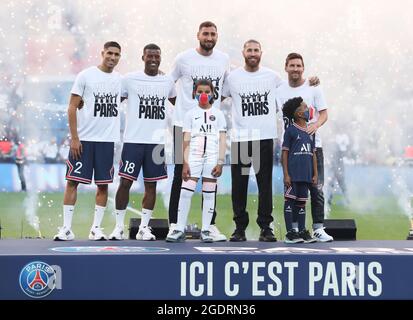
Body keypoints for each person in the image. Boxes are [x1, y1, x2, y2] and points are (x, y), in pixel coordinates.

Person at [168, 21, 229, 241]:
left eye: (213, 33)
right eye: (206, 33)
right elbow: (168, 83)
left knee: (211, 175)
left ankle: (209, 226)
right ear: (198, 35)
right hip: (182, 125)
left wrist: (210, 108)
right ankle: (175, 224)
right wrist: (183, 107)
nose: (209, 37)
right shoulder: (183, 58)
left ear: (217, 36)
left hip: (211, 127)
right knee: (180, 175)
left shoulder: (223, 59)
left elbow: (224, 89)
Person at [54, 41, 122, 241]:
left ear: (120, 57)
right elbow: (71, 107)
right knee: (72, 182)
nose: (112, 57)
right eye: (109, 53)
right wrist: (75, 138)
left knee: (103, 185)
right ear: (102, 53)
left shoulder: (121, 80)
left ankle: (96, 229)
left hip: (107, 141)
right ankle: (66, 228)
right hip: (84, 140)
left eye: (117, 54)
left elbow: (129, 94)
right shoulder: (85, 75)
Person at [108, 44, 176, 241]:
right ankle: (119, 227)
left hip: (156, 144)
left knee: (151, 186)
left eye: (157, 56)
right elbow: (114, 102)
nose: (154, 59)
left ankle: (144, 228)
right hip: (133, 141)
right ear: (143, 57)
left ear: (161, 58)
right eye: (150, 56)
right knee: (125, 183)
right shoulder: (129, 79)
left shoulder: (167, 81)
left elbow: (178, 103)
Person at [222, 39, 281, 242]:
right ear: (243, 53)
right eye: (249, 50)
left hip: (264, 138)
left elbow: (290, 92)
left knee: (265, 185)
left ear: (261, 53)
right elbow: (214, 97)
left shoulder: (273, 77)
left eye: (256, 50)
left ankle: (266, 227)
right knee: (239, 186)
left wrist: (311, 82)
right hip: (241, 139)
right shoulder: (232, 78)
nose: (253, 53)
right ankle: (240, 228)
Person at [276, 52, 333, 242]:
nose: (295, 69)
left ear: (303, 68)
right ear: (285, 68)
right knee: (293, 191)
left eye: (298, 66)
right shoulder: (278, 89)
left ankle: (317, 228)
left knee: (316, 188)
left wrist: (315, 125)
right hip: (291, 150)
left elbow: (324, 114)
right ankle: (294, 230)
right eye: (291, 65)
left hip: (313, 147)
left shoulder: (313, 87)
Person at [166, 79, 227, 242]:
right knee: (185, 192)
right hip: (193, 157)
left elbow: (222, 139)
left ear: (213, 93)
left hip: (212, 158)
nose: (203, 95)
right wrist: (185, 162)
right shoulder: (190, 114)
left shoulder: (219, 114)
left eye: (207, 91)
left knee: (209, 194)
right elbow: (185, 139)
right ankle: (179, 229)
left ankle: (206, 230)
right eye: (200, 91)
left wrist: (220, 162)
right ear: (194, 93)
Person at [281, 97, 318, 243]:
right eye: (305, 107)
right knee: (290, 201)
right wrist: (286, 174)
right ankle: (290, 233)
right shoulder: (290, 131)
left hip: (306, 175)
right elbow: (284, 153)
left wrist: (315, 173)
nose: (308, 109)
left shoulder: (310, 132)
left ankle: (302, 231)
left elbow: (313, 153)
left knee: (302, 203)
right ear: (298, 113)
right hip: (293, 175)